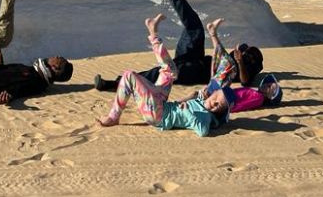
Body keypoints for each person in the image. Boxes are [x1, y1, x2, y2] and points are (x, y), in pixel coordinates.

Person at [93, 0, 263, 92]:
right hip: (197, 57)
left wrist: (241, 62)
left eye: (248, 54)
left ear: (253, 61)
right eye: (246, 50)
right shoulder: (241, 54)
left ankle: (116, 84)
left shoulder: (248, 68)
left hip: (195, 73)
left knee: (159, 73)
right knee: (195, 26)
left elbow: (246, 83)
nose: (244, 52)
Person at [96, 13, 236, 137]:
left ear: (220, 112)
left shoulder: (206, 116)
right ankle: (153, 32)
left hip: (158, 116)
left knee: (129, 76)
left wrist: (188, 112)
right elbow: (193, 97)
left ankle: (113, 117)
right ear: (213, 93)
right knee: (170, 71)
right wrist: (189, 98)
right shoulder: (202, 100)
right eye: (216, 99)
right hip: (163, 104)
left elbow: (203, 131)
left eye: (219, 106)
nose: (214, 104)